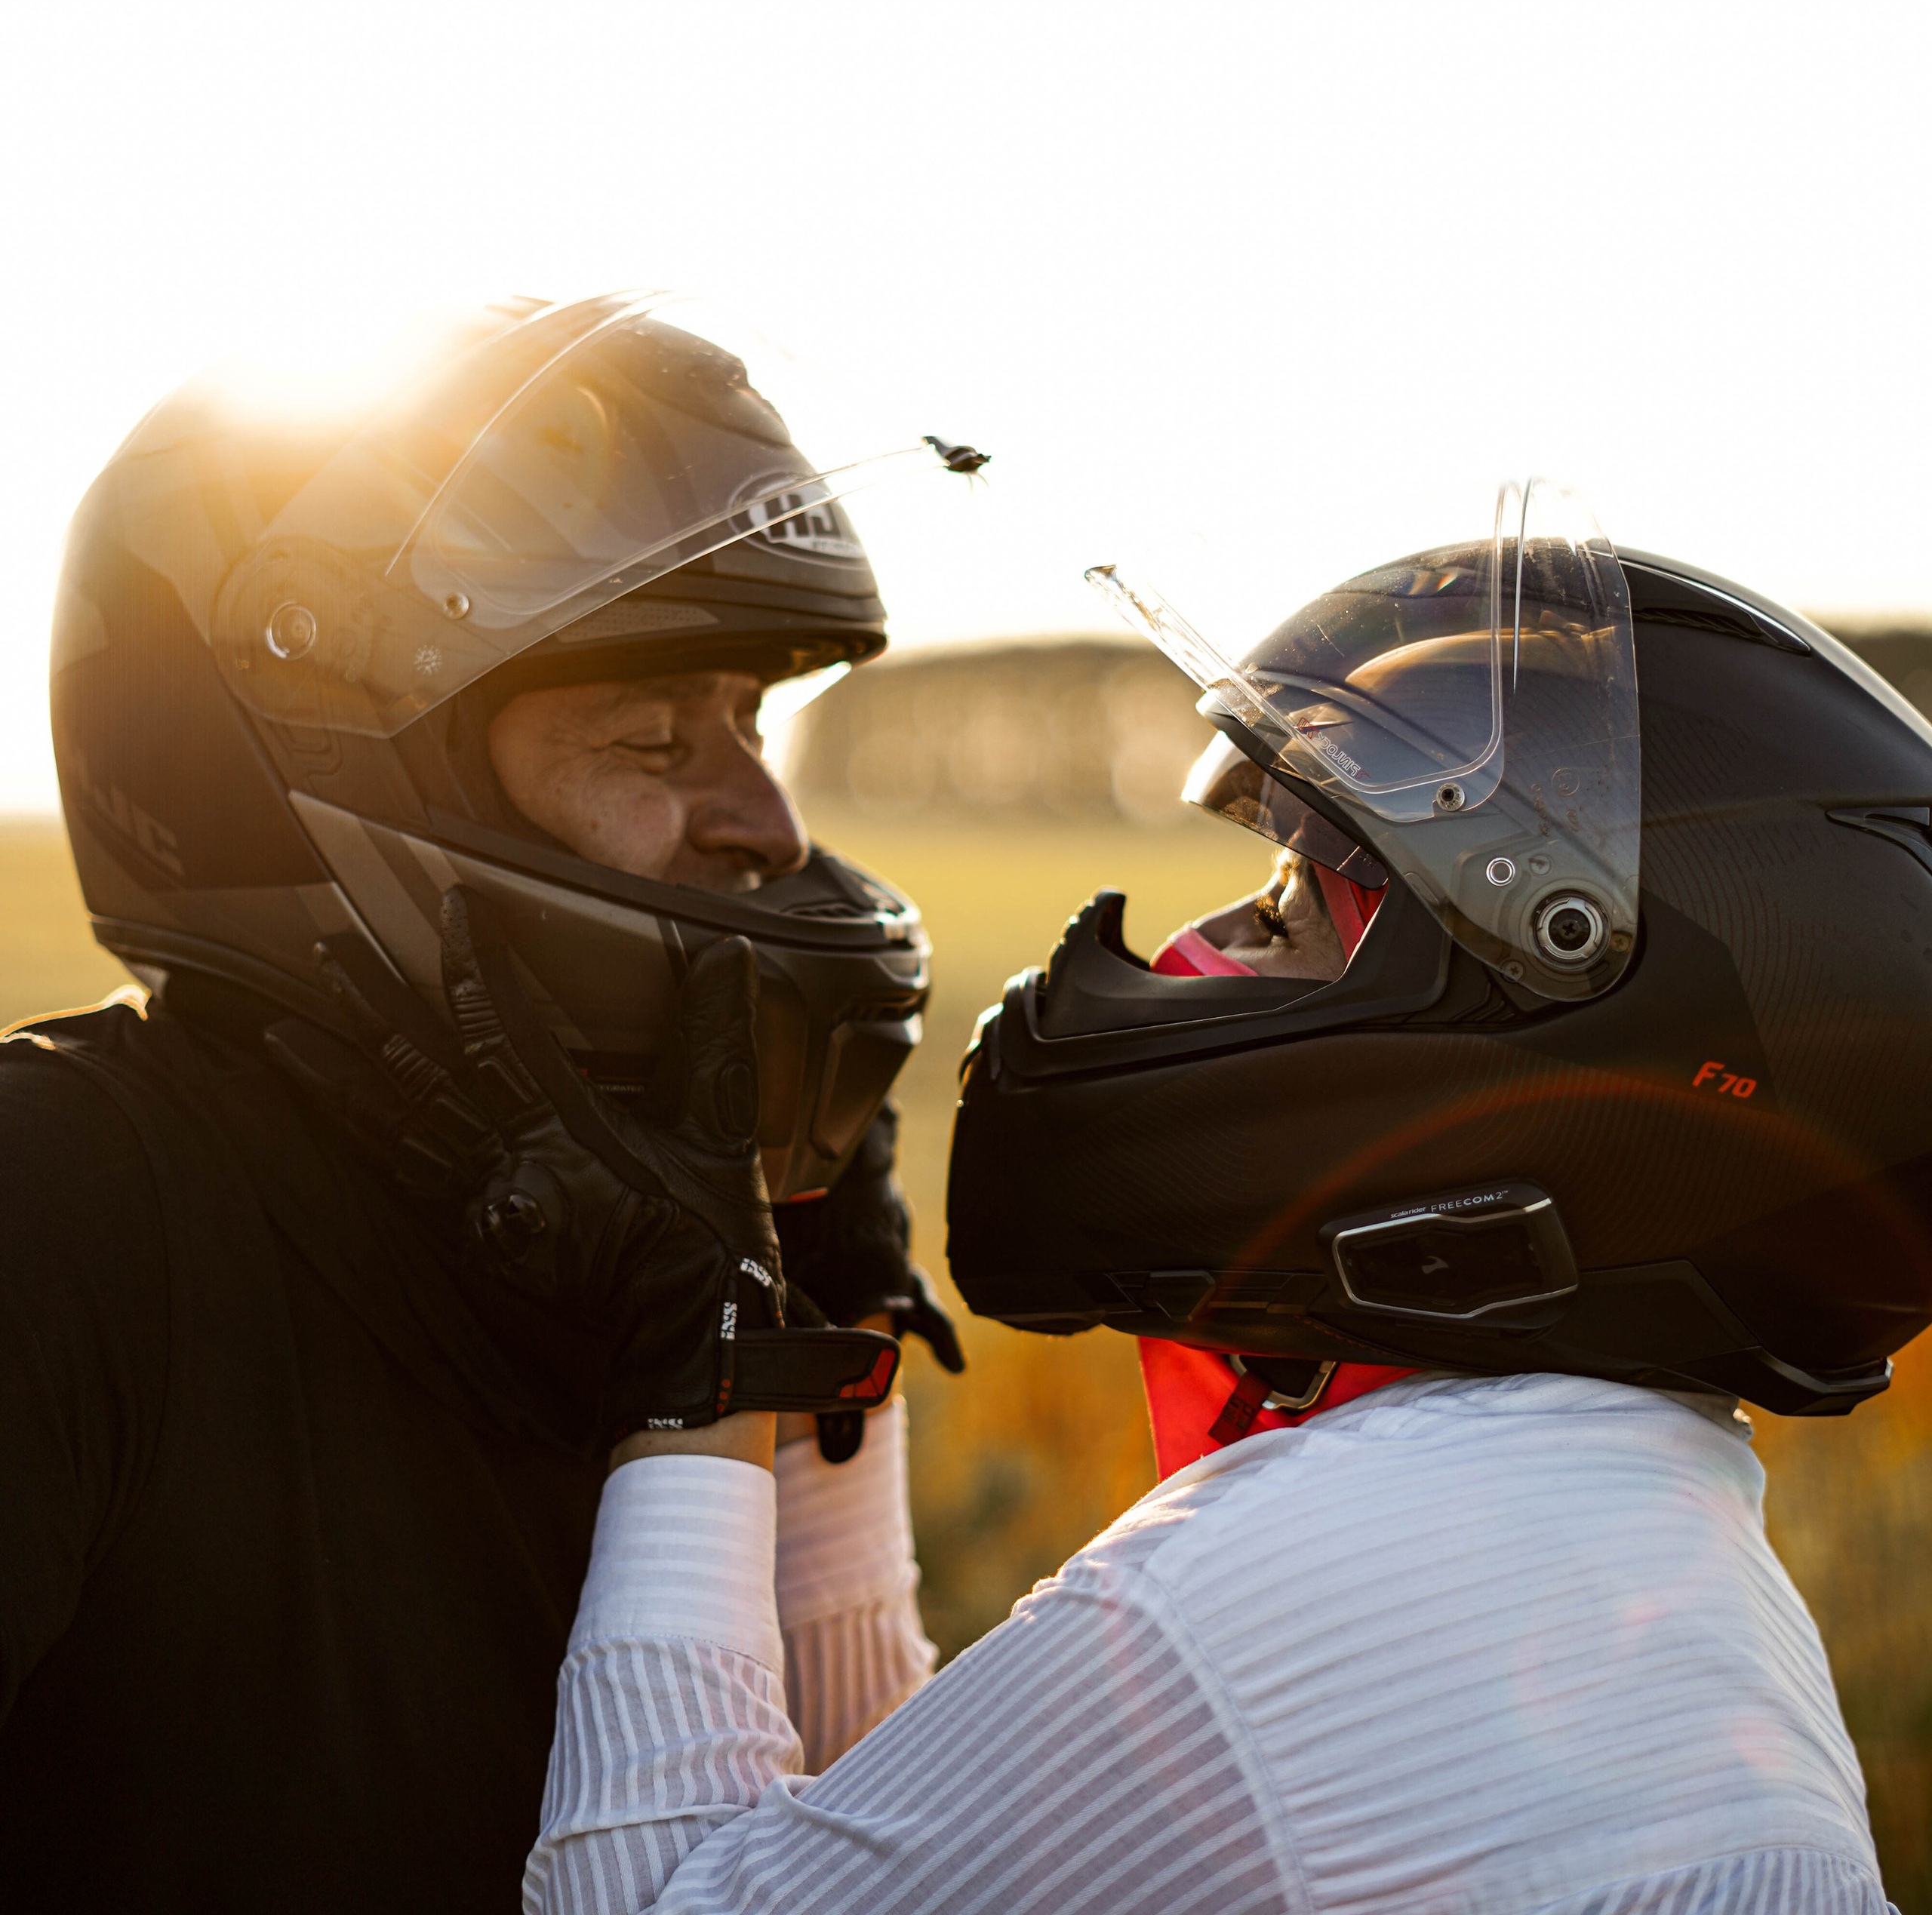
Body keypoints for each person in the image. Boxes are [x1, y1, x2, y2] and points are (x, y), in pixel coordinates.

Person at [521, 484, 1928, 1913]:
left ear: (1522, 1062)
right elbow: (879, 1855)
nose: (1188, 953)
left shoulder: (1324, 1570)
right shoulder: (1649, 1547)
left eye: (1282, 914)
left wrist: (699, 1369)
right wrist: (828, 1360)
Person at [0, 292, 971, 1910]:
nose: (771, 825)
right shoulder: (62, 1207)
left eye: (752, 720)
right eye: (657, 738)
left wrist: (809, 1384)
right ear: (344, 763)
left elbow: (837, 1865)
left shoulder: (604, 1237)